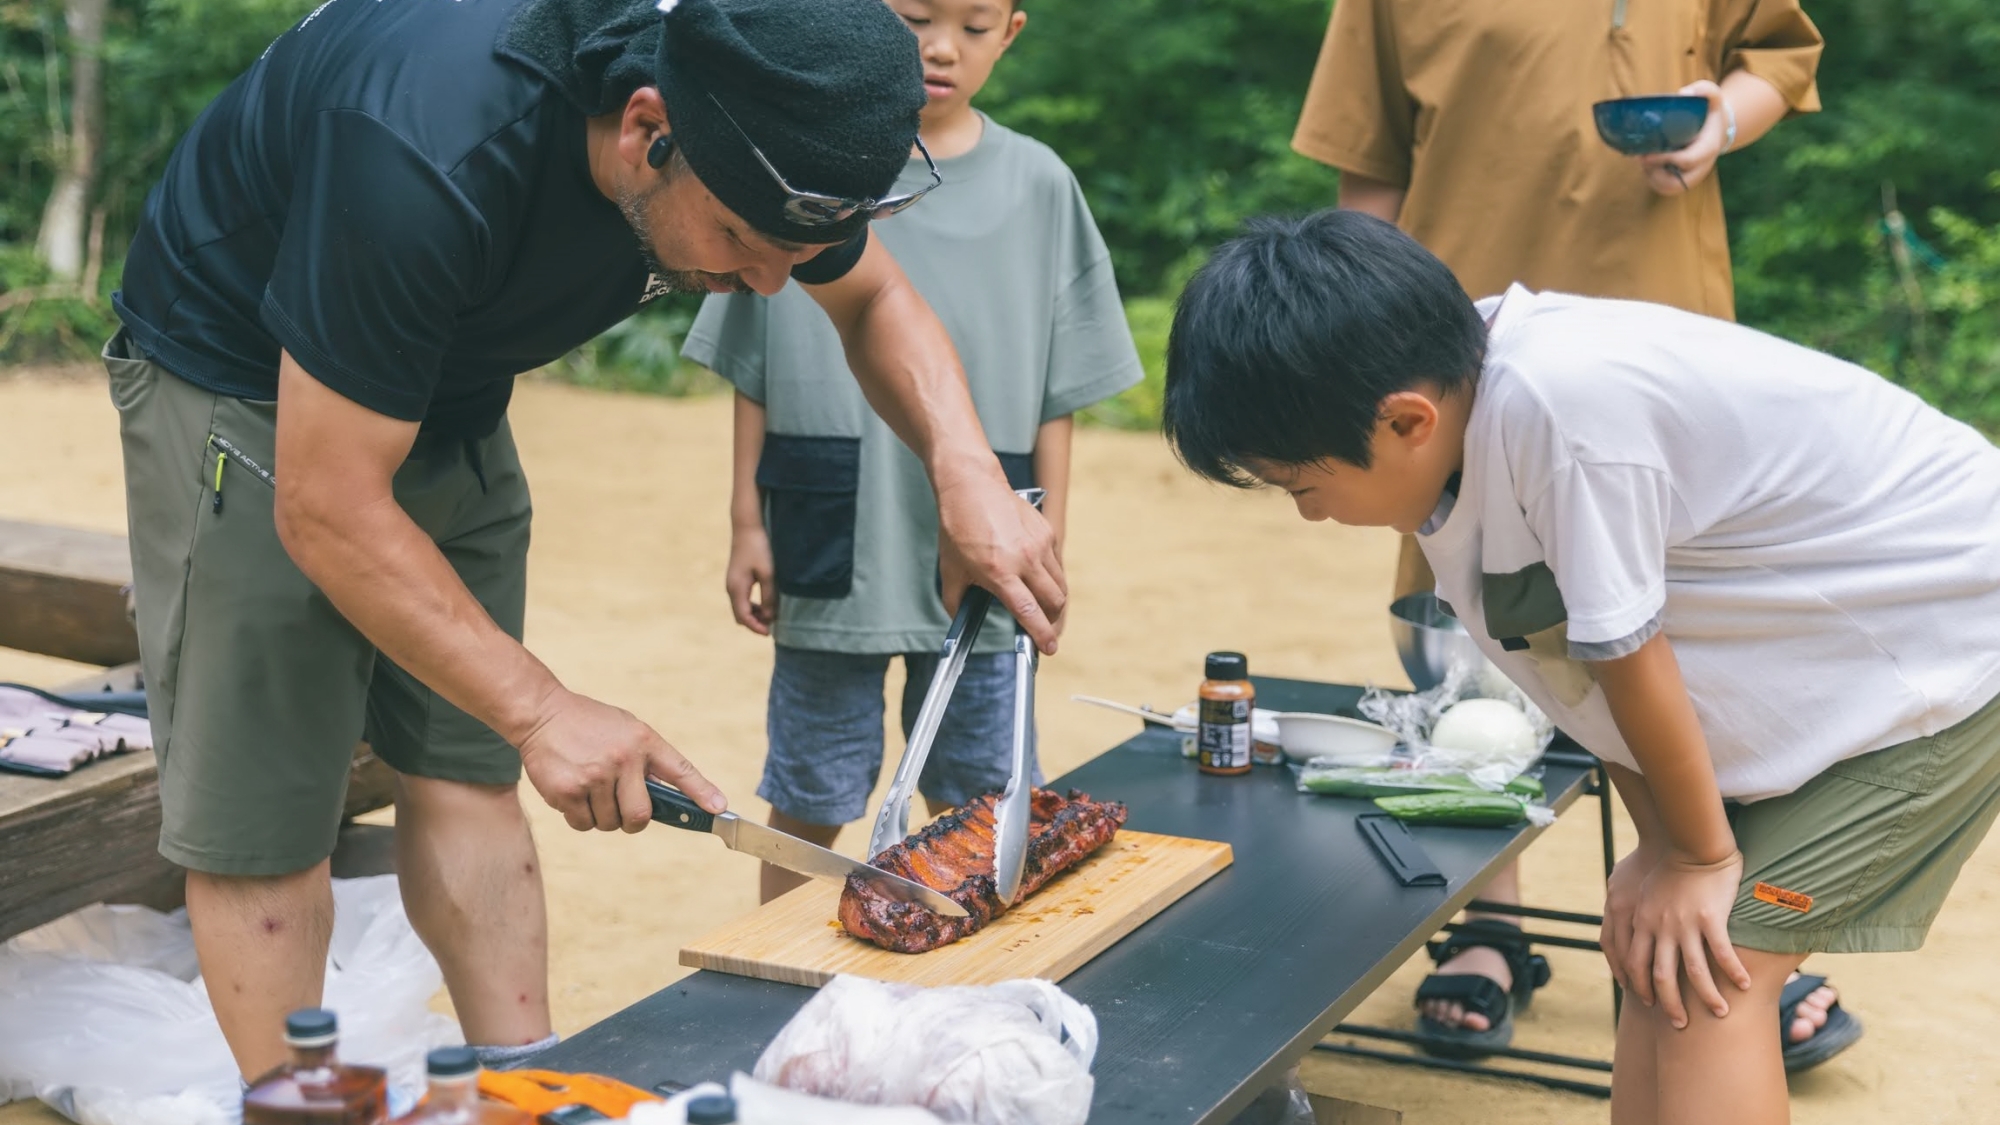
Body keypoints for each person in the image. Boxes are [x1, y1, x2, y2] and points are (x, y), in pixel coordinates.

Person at [104, 0, 1070, 1080]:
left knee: (466, 763)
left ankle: (532, 1082)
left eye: (787, 250)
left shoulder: (775, 115)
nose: (764, 283)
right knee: (267, 818)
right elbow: (328, 503)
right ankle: (295, 1107)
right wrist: (544, 705)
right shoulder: (424, 151)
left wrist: (968, 472)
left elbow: (872, 300)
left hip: (448, 381)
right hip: (241, 380)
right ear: (642, 128)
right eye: (743, 243)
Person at [1160, 209, 2000, 1125]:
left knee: (1717, 968)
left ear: (1405, 421)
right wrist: (1657, 850)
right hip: (1843, 654)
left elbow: (1625, 647)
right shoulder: (1457, 417)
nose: (1308, 516)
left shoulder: (1560, 412)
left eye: (1303, 486)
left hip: (1941, 645)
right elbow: (1576, 669)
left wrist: (1696, 853)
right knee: (1661, 958)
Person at [1287, 0, 1846, 1061]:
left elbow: (1777, 57)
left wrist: (1718, 121)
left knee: (1696, 639)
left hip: (1662, 339)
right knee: (1470, 638)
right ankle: (1488, 920)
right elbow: (1366, 175)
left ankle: (1744, 926)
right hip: (1450, 340)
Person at [683, 0, 1143, 903]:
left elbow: (1059, 395)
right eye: (914, 17)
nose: (938, 47)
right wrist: (746, 521)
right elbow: (754, 363)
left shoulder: (1041, 184)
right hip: (828, 519)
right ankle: (777, 981)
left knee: (985, 795)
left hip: (985, 536)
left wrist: (1048, 532)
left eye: (972, 26)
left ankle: (973, 994)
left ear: (1011, 32)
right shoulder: (803, 161)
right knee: (813, 789)